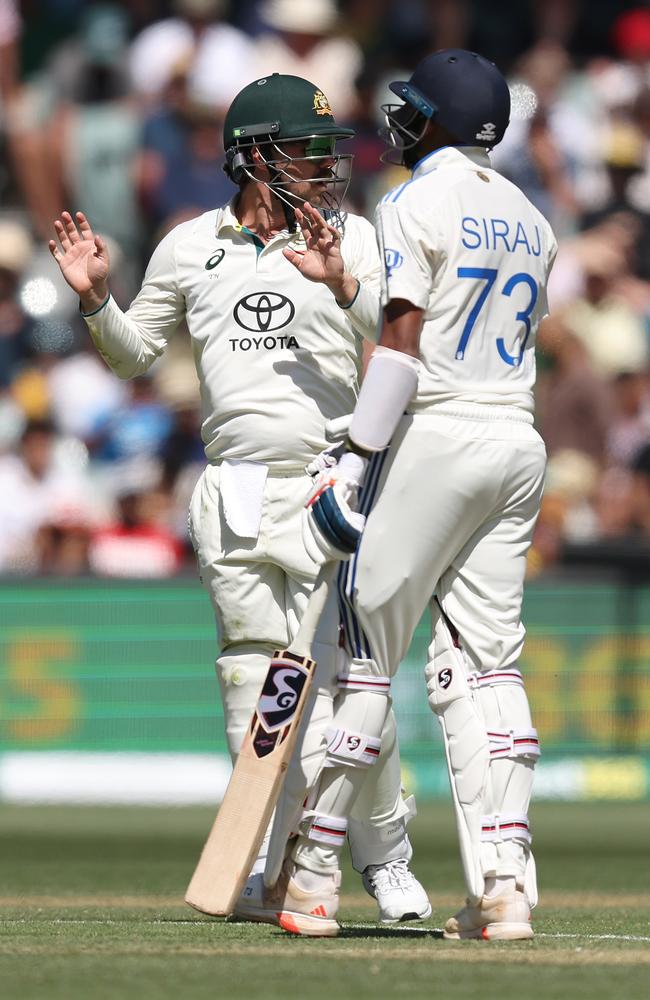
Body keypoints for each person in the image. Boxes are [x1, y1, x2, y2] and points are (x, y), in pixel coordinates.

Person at [48, 73, 429, 925]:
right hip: (237, 490)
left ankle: (386, 857)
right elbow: (134, 353)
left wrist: (340, 281)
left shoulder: (355, 236)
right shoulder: (189, 247)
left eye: (330, 151)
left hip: (335, 482)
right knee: (251, 680)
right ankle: (264, 861)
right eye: (307, 150)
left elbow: (398, 338)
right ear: (254, 156)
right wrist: (94, 297)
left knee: (346, 687)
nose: (326, 167)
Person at [261, 49, 557, 939]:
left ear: (436, 122)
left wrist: (353, 461)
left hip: (436, 435)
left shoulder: (413, 201)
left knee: (367, 657)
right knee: (487, 666)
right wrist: (349, 285)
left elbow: (401, 348)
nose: (396, 123)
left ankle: (313, 878)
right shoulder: (533, 218)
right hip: (517, 440)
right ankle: (504, 885)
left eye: (410, 111)